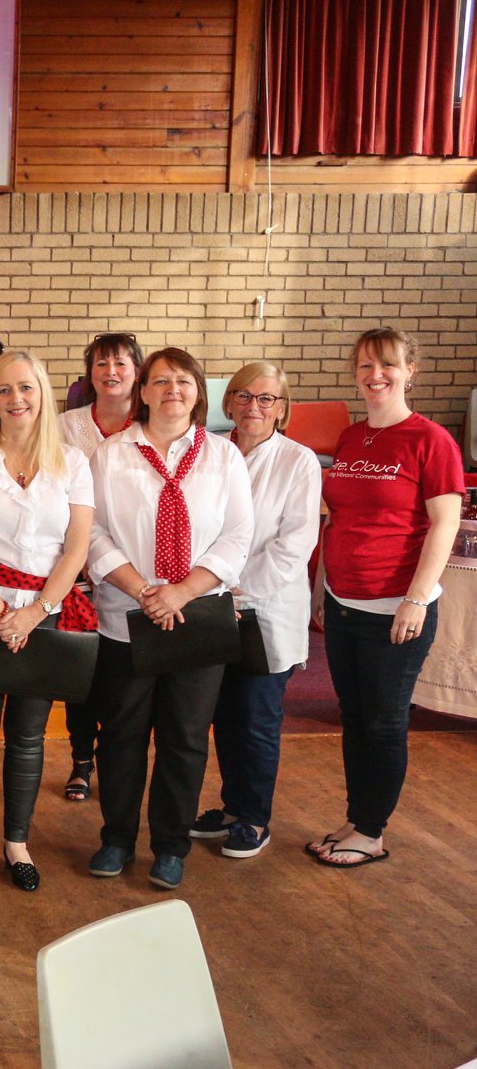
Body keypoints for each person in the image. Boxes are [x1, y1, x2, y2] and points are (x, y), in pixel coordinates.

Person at [85, 348, 253, 891]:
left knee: (184, 739)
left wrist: (181, 592)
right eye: (161, 381)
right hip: (126, 619)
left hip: (197, 620)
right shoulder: (111, 455)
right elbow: (91, 535)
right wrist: (142, 589)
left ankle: (171, 846)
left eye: (183, 381)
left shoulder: (224, 458)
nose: (172, 390)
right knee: (121, 736)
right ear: (144, 391)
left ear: (198, 392)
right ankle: (115, 839)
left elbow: (237, 538)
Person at [309, 328, 465, 868]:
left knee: (383, 721)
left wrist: (416, 599)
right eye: (365, 366)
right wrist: (321, 589)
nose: (375, 376)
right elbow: (338, 520)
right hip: (345, 601)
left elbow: (444, 522)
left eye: (387, 366)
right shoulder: (352, 439)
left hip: (395, 607)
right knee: (355, 718)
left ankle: (372, 832)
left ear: (409, 371)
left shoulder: (429, 439)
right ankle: (357, 819)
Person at [0, 351, 93, 893]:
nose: (16, 399)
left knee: (29, 736)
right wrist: (2, 612)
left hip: (45, 612)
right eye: (4, 390)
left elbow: (76, 549)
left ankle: (18, 842)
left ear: (42, 394)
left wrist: (34, 612)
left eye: (25, 388)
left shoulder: (72, 463)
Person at [186, 362, 321, 860]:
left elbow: (294, 545)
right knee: (222, 712)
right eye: (244, 396)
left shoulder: (298, 461)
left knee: (257, 717)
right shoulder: (212, 452)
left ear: (282, 408)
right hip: (210, 607)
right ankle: (230, 807)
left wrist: (234, 588)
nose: (254, 407)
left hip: (265, 608)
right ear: (228, 403)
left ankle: (254, 818)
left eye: (267, 399)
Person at [55, 332, 144, 805]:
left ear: (137, 371)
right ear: (89, 374)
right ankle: (80, 762)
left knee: (118, 680)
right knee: (79, 676)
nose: (111, 372)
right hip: (75, 569)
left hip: (129, 573)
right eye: (101, 364)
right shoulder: (67, 425)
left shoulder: (149, 426)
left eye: (122, 364)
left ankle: (116, 762)